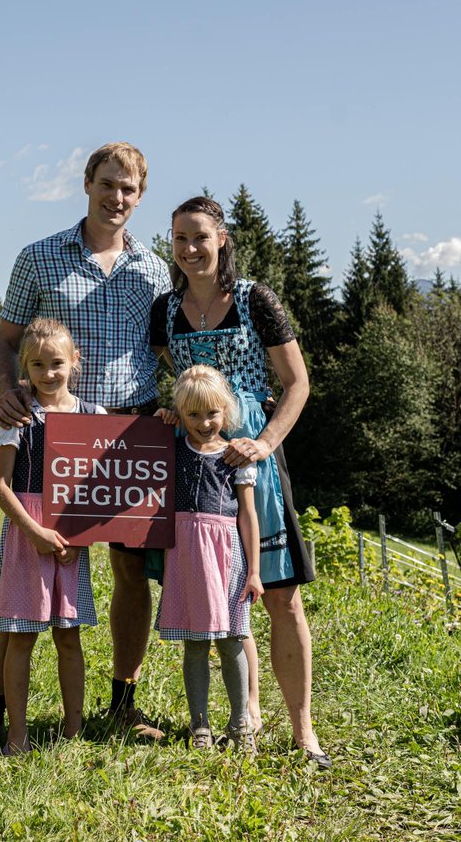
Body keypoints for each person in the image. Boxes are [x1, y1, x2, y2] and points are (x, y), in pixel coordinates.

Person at [0, 142, 171, 754]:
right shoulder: (39, 258)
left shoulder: (154, 269)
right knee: (24, 568)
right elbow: (3, 343)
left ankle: (122, 701)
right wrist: (6, 393)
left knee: (127, 571)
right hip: (51, 434)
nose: (116, 197)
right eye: (107, 184)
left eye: (128, 189)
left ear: (140, 196)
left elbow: (168, 350)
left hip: (127, 433)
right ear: (86, 184)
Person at [150, 195, 331, 768]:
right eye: (179, 238)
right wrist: (171, 412)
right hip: (194, 467)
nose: (189, 248)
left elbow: (297, 382)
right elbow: (172, 379)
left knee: (281, 595)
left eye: (200, 236)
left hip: (251, 454)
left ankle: (303, 731)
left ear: (222, 238)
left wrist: (267, 441)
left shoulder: (256, 300)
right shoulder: (165, 308)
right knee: (219, 594)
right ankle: (243, 712)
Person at [0, 319, 100, 754]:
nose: (48, 373)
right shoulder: (17, 415)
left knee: (68, 636)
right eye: (37, 364)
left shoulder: (94, 417)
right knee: (22, 635)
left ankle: (73, 734)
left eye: (56, 363)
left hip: (71, 539)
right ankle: (18, 737)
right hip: (26, 533)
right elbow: (0, 485)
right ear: (24, 366)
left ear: (74, 361)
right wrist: (34, 531)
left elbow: (104, 487)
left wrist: (81, 536)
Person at [156, 365, 262, 751]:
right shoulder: (172, 447)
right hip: (185, 552)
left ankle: (239, 725)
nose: (204, 422)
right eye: (193, 414)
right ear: (181, 414)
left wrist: (255, 571)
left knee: (233, 638)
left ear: (226, 410)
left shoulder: (235, 456)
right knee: (195, 641)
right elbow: (142, 451)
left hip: (226, 553)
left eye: (212, 413)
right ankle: (199, 725)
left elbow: (247, 515)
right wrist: (160, 421)